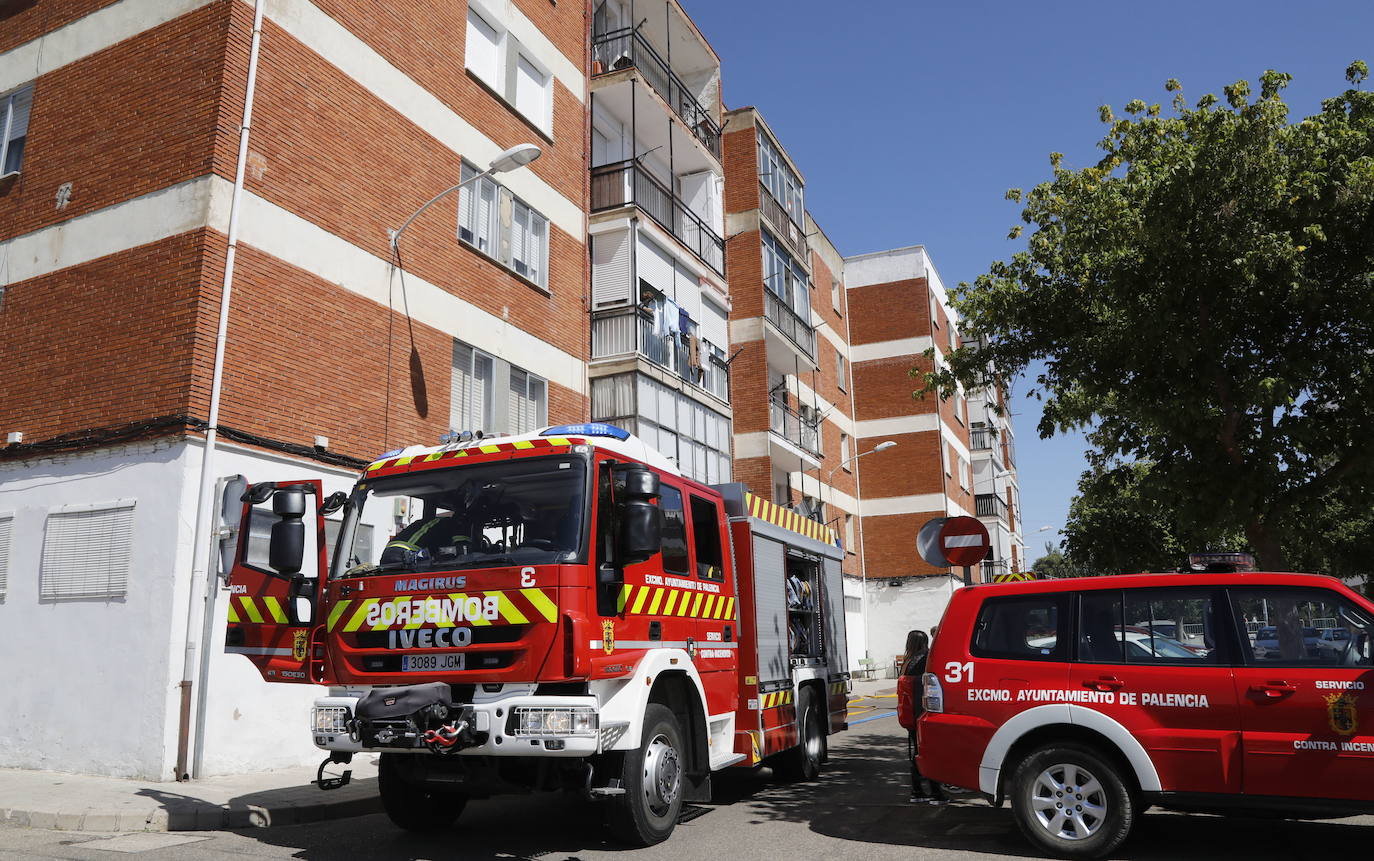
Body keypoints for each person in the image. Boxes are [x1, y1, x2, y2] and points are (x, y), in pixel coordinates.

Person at [901, 629, 947, 804]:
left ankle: (917, 790)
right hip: (924, 712)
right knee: (930, 751)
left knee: (915, 751)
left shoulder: (907, 661)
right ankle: (936, 792)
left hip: (909, 714)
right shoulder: (926, 658)